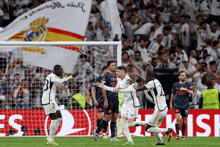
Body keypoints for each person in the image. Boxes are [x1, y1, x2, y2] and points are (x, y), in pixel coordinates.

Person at [96, 66, 140, 145]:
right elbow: (114, 89)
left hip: (133, 104)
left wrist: (120, 91)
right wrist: (104, 87)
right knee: (122, 122)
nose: (116, 73)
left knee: (130, 124)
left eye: (118, 71)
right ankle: (130, 141)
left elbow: (133, 89)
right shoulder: (120, 81)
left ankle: (148, 123)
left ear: (123, 72)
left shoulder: (128, 80)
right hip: (126, 103)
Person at [128, 72, 172, 145]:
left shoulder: (151, 83)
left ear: (149, 77)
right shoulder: (156, 81)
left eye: (146, 77)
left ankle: (167, 130)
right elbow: (147, 83)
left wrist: (132, 84)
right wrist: (141, 78)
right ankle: (160, 142)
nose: (145, 78)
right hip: (164, 108)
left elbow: (138, 89)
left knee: (147, 129)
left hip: (159, 110)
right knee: (155, 127)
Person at [42, 65, 78, 145]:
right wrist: (71, 77)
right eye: (61, 70)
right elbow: (62, 81)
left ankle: (50, 135)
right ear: (56, 69)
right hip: (48, 101)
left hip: (51, 100)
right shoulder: (52, 76)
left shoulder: (51, 77)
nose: (62, 71)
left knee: (59, 117)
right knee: (54, 118)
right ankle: (50, 139)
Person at [94, 61, 119, 142]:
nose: (114, 66)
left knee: (114, 117)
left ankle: (113, 137)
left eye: (115, 65)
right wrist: (106, 101)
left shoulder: (115, 76)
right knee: (107, 118)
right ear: (108, 67)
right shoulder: (105, 76)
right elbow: (103, 88)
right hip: (109, 99)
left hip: (115, 98)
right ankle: (97, 131)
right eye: (113, 65)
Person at [170, 71, 194, 140]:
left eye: (185, 75)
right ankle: (177, 134)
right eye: (182, 75)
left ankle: (183, 135)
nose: (184, 77)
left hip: (185, 105)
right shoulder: (175, 85)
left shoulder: (188, 85)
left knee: (184, 120)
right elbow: (172, 95)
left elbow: (192, 93)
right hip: (177, 104)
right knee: (177, 118)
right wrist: (171, 103)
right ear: (179, 77)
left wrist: (185, 90)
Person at [91, 66, 108, 138]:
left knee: (106, 116)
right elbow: (93, 89)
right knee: (102, 117)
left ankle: (104, 133)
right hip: (100, 100)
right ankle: (97, 130)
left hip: (108, 99)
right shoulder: (98, 79)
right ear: (104, 70)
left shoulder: (109, 79)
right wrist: (94, 99)